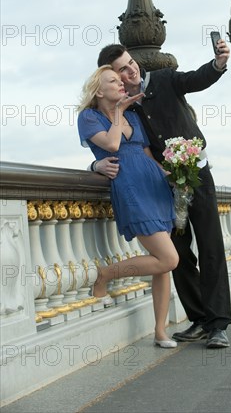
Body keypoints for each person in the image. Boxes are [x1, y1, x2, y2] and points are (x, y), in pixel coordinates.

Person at [94, 41, 231, 349]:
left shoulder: (165, 78)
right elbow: (113, 143)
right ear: (112, 76)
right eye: (122, 70)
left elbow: (196, 79)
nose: (131, 70)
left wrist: (218, 63)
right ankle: (198, 319)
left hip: (196, 175)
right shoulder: (124, 108)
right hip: (165, 187)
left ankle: (218, 324)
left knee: (210, 247)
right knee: (179, 255)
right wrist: (95, 163)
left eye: (130, 63)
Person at [77, 65, 179, 348]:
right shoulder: (89, 117)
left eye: (121, 80)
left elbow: (146, 153)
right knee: (169, 258)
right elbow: (111, 145)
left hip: (154, 186)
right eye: (113, 81)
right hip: (130, 188)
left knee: (163, 267)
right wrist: (119, 111)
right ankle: (106, 274)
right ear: (99, 90)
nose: (122, 84)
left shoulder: (134, 115)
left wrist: (174, 174)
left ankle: (160, 331)